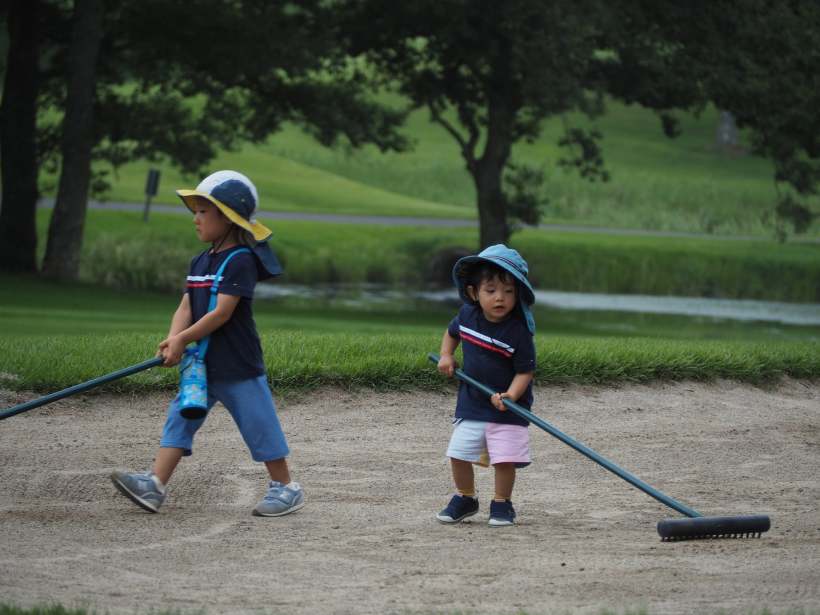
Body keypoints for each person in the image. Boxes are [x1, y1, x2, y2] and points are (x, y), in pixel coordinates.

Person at [110, 170, 304, 517]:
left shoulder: (241, 260)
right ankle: (154, 484)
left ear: (228, 218)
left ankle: (286, 488)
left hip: (237, 364)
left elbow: (221, 314)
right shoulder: (199, 262)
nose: (196, 219)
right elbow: (186, 306)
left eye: (204, 212)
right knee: (180, 419)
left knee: (258, 423)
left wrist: (183, 339)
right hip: (201, 363)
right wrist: (174, 339)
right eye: (194, 212)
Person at [436, 244, 536, 527]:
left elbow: (525, 371)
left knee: (504, 459)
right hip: (473, 404)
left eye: (508, 291)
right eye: (491, 291)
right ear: (473, 293)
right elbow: (451, 332)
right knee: (458, 453)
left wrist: (511, 395)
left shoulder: (518, 332)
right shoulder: (467, 316)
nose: (500, 298)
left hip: (509, 408)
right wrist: (447, 355)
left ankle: (502, 503)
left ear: (518, 294)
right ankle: (466, 498)